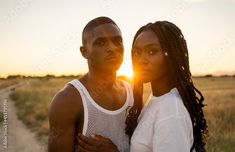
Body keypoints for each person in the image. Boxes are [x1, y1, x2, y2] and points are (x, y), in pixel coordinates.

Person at [48, 16, 133, 152]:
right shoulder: (67, 100)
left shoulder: (133, 91)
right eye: (100, 43)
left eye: (118, 41)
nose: (112, 48)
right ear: (84, 52)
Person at [125, 21, 208, 152]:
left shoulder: (171, 112)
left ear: (172, 56)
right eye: (136, 52)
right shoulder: (158, 98)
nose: (141, 60)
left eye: (152, 51)